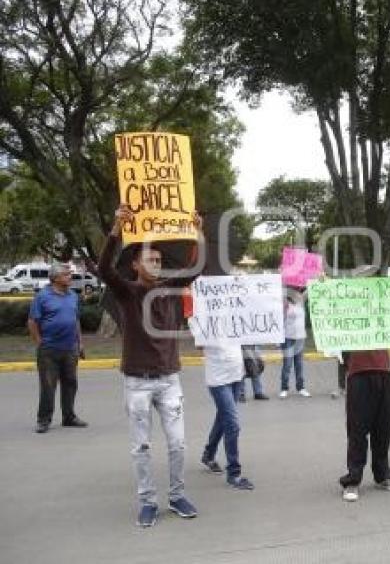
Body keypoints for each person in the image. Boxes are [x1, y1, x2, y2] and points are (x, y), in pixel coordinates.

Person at [98, 204, 202, 527]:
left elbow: (195, 268)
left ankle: (177, 495)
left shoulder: (170, 289)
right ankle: (147, 501)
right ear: (135, 264)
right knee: (141, 446)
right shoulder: (127, 292)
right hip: (137, 382)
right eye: (149, 260)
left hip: (169, 379)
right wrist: (117, 228)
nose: (155, 265)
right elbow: (104, 269)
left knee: (178, 443)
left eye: (158, 260)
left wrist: (198, 231)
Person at [27, 263, 87, 433]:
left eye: (70, 274)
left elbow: (75, 320)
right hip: (49, 350)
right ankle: (44, 419)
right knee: (48, 385)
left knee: (70, 383)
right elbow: (32, 321)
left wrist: (80, 343)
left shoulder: (73, 296)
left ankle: (69, 417)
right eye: (66, 274)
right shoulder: (42, 297)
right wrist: (39, 342)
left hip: (70, 348)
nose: (70, 277)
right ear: (55, 278)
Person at [338, 349, 390, 502]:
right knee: (357, 429)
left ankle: (383, 475)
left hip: (384, 371)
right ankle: (353, 479)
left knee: (383, 427)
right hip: (358, 372)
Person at [200, 343, 255, 490]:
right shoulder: (204, 321)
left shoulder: (234, 319)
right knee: (232, 425)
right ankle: (233, 473)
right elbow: (199, 343)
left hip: (237, 374)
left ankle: (208, 455)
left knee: (223, 418)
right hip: (218, 379)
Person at [280, 290, 309, 398]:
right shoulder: (285, 302)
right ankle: (284, 388)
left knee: (299, 364)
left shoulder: (301, 301)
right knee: (287, 364)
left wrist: (319, 279)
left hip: (300, 338)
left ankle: (301, 387)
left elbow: (309, 290)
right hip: (288, 337)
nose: (297, 295)